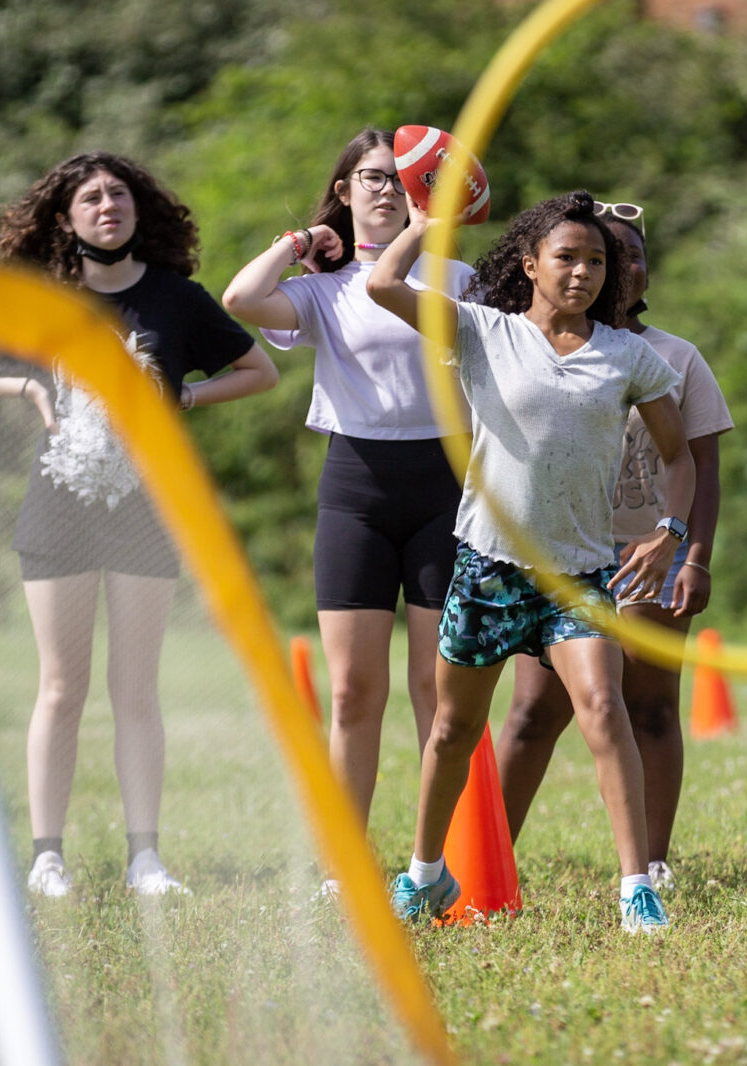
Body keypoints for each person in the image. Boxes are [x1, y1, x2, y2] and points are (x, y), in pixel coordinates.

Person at [0, 153, 278, 896]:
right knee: (62, 686)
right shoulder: (39, 299)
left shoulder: (178, 300)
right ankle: (45, 858)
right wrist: (19, 383)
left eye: (119, 193)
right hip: (57, 508)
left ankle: (144, 858)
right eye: (91, 196)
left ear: (137, 209)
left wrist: (182, 401)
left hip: (147, 510)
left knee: (136, 688)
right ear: (67, 217)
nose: (107, 204)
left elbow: (260, 372)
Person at [367, 190, 695, 933]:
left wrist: (671, 530)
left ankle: (636, 888)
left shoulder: (627, 354)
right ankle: (424, 874)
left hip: (576, 576)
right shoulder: (483, 330)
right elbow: (383, 286)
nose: (584, 273)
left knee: (604, 710)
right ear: (531, 264)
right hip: (488, 567)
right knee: (454, 732)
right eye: (568, 258)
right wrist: (422, 225)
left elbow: (679, 457)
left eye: (598, 262)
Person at [220, 128, 476, 879]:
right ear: (344, 190)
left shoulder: (455, 276)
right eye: (371, 177)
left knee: (438, 690)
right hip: (355, 489)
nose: (387, 189)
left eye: (402, 178)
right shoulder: (323, 288)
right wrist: (302, 241)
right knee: (354, 692)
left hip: (445, 485)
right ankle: (344, 869)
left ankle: (440, 864)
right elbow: (240, 299)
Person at [494, 201, 732, 892]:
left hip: (651, 555)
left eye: (629, 254)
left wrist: (693, 554)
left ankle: (649, 866)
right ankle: (490, 862)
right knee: (536, 710)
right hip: (562, 555)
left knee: (650, 704)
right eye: (599, 252)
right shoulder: (534, 346)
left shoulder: (676, 358)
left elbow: (703, 467)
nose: (615, 266)